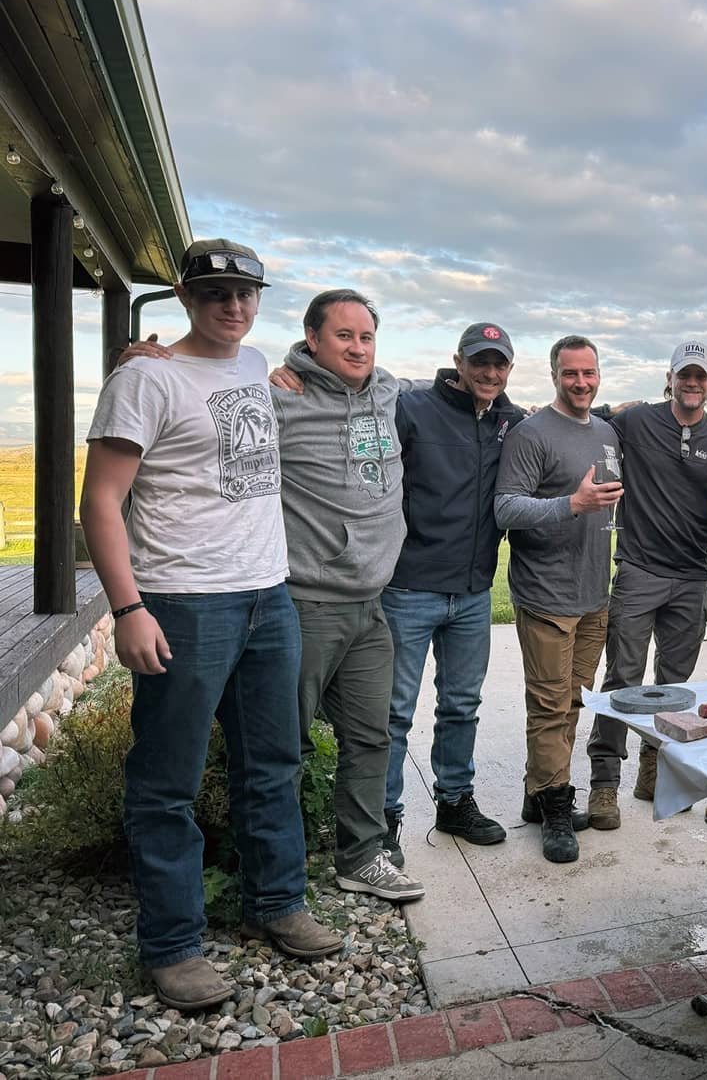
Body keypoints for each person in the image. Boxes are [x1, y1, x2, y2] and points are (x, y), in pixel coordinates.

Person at [79, 239, 342, 1010]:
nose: (234, 305)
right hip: (184, 604)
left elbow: (306, 365)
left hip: (268, 596)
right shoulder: (144, 379)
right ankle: (171, 945)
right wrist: (128, 608)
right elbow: (99, 503)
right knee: (168, 782)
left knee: (274, 763)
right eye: (217, 292)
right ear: (187, 297)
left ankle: (278, 902)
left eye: (246, 292)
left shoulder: (255, 364)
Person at [272, 290, 423, 901]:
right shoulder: (279, 397)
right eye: (344, 336)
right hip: (307, 604)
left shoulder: (385, 390)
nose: (358, 347)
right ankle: (277, 872)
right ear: (313, 339)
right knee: (287, 742)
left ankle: (360, 857)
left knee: (372, 736)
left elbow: (441, 382)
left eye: (366, 337)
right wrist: (149, 358)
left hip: (371, 606)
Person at [583, 341, 707, 829]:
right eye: (684, 375)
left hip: (692, 574)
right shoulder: (636, 423)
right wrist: (615, 406)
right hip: (637, 569)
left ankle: (652, 771)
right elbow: (588, 417)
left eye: (701, 376)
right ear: (670, 378)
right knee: (622, 682)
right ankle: (604, 783)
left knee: (674, 687)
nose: (692, 383)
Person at [382, 323, 527, 855]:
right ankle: (383, 818)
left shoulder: (512, 421)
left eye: (500, 363)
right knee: (394, 711)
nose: (490, 372)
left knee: (461, 703)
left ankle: (454, 802)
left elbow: (587, 417)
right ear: (458, 362)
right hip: (409, 586)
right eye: (480, 361)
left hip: (471, 592)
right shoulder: (413, 409)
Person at [494, 335, 622, 863]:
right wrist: (571, 503)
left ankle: (537, 792)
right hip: (546, 594)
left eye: (589, 372)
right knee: (549, 706)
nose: (581, 382)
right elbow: (506, 509)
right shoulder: (530, 434)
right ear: (554, 375)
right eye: (571, 373)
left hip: (594, 596)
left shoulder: (608, 433)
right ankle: (554, 806)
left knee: (571, 700)